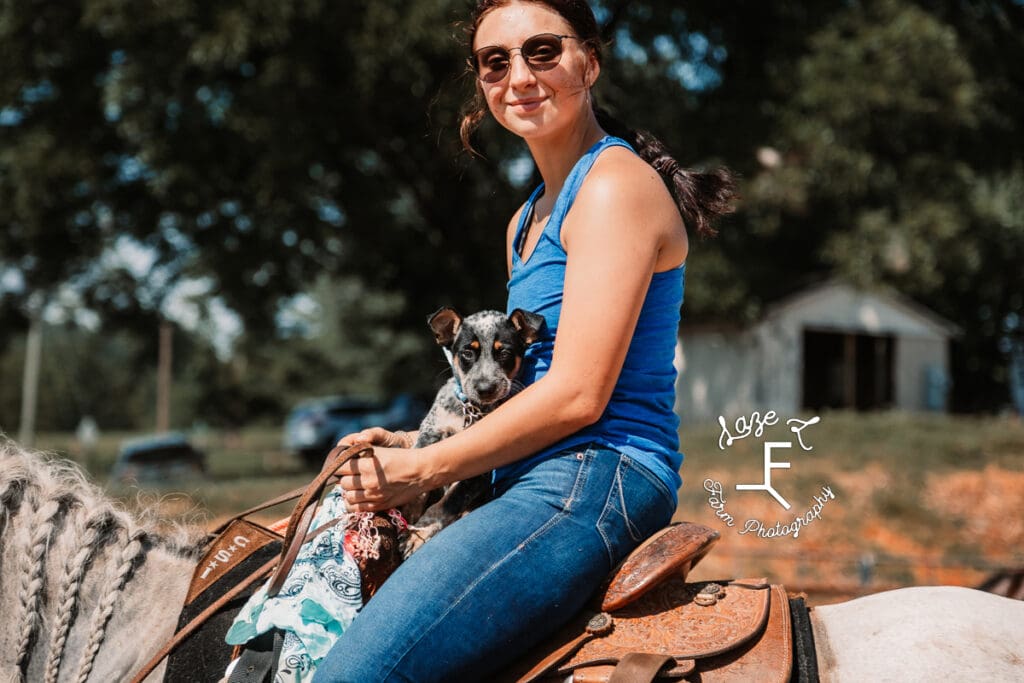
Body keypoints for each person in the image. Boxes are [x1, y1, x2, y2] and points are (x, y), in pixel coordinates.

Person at [314, 1, 734, 680]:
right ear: (481, 85)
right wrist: (411, 440)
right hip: (537, 474)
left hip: (597, 475)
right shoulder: (526, 220)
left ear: (589, 61)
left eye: (543, 51)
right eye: (495, 61)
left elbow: (577, 395)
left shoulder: (613, 186)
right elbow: (532, 382)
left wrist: (422, 472)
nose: (520, 75)